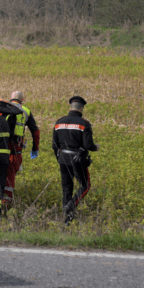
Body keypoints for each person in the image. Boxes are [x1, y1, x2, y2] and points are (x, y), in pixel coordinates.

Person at [52, 96, 100, 225]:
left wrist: (59, 159)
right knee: (85, 185)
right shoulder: (84, 123)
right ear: (82, 108)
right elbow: (88, 145)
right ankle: (71, 206)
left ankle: (66, 220)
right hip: (77, 159)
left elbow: (54, 145)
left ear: (70, 107)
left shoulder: (58, 122)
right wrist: (96, 148)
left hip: (62, 158)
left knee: (67, 188)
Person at [4, 91, 41, 206]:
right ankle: (6, 201)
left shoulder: (2, 107)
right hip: (15, 149)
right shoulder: (26, 111)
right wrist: (35, 148)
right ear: (22, 100)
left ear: (10, 98)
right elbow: (35, 132)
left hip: (0, 146)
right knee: (10, 176)